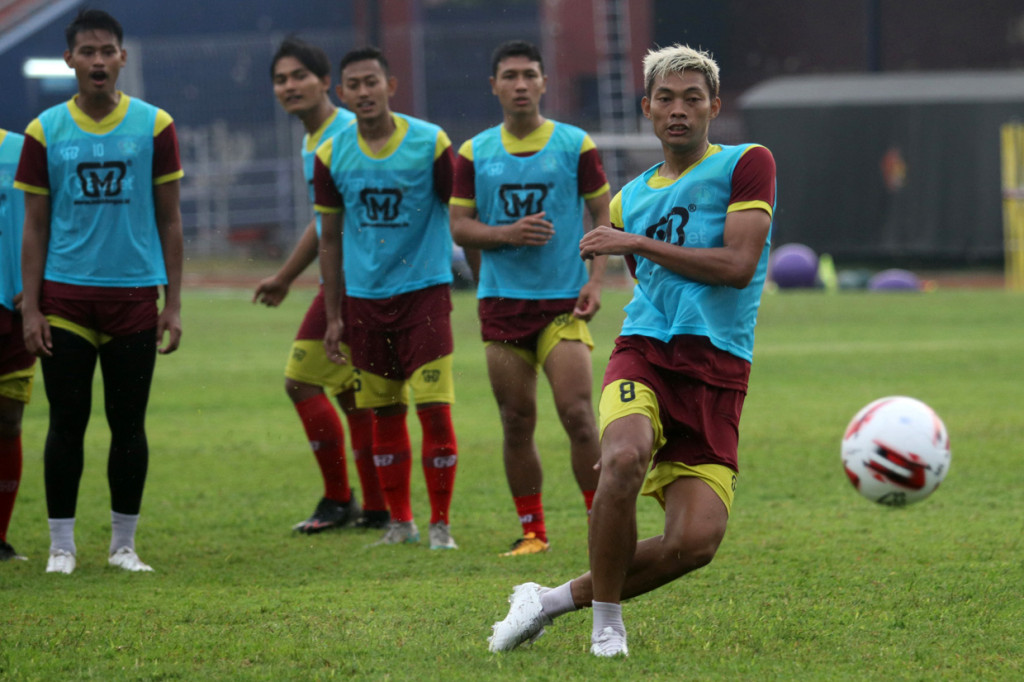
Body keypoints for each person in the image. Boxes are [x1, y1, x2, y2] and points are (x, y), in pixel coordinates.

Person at [487, 43, 776, 656]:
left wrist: (635, 244)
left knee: (693, 545)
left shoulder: (747, 163)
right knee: (621, 457)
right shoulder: (628, 199)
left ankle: (545, 600)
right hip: (644, 352)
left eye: (693, 99)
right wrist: (631, 242)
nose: (679, 110)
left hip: (719, 369)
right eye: (665, 99)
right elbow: (655, 296)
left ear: (714, 107)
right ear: (646, 108)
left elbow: (736, 265)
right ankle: (607, 626)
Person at [15, 9, 184, 574]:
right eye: (87, 51)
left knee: (128, 423)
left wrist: (174, 303)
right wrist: (32, 306)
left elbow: (170, 221)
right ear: (69, 59)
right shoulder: (45, 131)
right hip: (65, 300)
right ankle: (61, 547)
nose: (98, 61)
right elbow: (34, 225)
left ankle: (123, 546)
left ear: (122, 58)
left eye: (107, 51)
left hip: (134, 299)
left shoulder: (154, 125)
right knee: (67, 423)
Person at [450, 40, 611, 556]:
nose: (520, 84)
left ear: (543, 83)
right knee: (516, 420)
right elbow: (460, 227)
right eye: (510, 76)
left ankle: (597, 519)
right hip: (501, 304)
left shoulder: (574, 144)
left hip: (562, 301)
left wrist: (595, 280)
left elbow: (603, 218)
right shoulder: (475, 152)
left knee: (578, 415)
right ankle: (533, 532)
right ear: (494, 85)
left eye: (529, 75)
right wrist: (507, 234)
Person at [314, 47, 459, 550]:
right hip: (365, 302)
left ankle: (440, 525)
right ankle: (401, 522)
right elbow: (328, 239)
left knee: (435, 410)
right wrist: (333, 316)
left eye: (371, 82)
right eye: (353, 85)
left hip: (424, 294)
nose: (363, 92)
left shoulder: (429, 142)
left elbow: (458, 210)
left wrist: (475, 285)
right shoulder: (331, 154)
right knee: (384, 413)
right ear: (341, 94)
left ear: (390, 85)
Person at [253, 37, 389, 533]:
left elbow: (352, 216)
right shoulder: (314, 138)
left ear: (324, 82)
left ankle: (346, 500)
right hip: (344, 279)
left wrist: (288, 276)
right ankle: (369, 507)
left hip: (364, 282)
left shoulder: (347, 132)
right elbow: (325, 220)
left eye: (299, 76)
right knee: (353, 394)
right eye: (281, 79)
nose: (289, 86)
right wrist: (288, 276)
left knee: (303, 380)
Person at [0, 126, 32, 562]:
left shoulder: (22, 149)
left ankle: (0, 538)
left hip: (14, 304)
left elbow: (48, 218)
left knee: (7, 420)